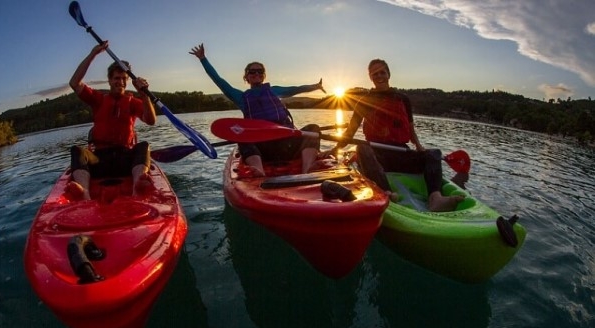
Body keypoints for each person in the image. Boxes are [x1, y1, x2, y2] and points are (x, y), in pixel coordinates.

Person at [332, 58, 464, 212]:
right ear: (370, 77)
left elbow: (410, 128)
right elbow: (351, 131)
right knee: (361, 147)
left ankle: (435, 198)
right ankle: (386, 191)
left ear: (389, 74)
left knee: (434, 153)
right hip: (377, 154)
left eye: (382, 72)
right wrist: (335, 148)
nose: (379, 76)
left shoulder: (403, 99)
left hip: (400, 152)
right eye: (375, 74)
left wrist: (419, 146)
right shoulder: (364, 101)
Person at [189, 43, 326, 176]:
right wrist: (203, 59)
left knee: (313, 128)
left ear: (263, 75)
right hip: (262, 148)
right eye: (252, 72)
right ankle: (258, 170)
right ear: (246, 77)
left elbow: (296, 89)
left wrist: (315, 86)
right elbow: (218, 80)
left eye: (260, 71)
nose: (256, 74)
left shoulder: (274, 91)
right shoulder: (241, 97)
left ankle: (307, 169)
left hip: (287, 144)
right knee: (241, 136)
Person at [65, 41, 156, 200]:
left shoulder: (134, 102)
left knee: (143, 146)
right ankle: (84, 193)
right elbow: (74, 83)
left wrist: (144, 96)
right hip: (99, 160)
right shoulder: (98, 99)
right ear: (109, 80)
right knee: (77, 151)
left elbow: (151, 120)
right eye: (116, 78)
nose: (120, 82)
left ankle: (137, 185)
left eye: (123, 79)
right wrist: (93, 54)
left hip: (125, 159)